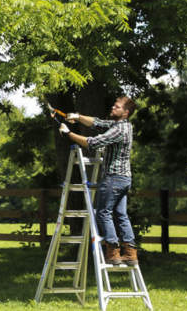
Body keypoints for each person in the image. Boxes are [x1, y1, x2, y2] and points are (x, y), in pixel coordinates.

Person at [58, 96, 138, 266]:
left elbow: (92, 143)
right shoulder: (123, 126)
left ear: (126, 112)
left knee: (103, 213)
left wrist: (68, 134)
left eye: (116, 107)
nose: (112, 107)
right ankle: (130, 253)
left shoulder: (118, 130)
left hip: (113, 178)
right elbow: (97, 123)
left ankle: (113, 251)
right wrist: (78, 117)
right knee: (121, 215)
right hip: (124, 179)